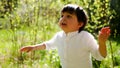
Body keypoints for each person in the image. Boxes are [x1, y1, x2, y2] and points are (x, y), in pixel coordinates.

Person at [20, 4, 110, 68]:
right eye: (62, 15)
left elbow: (100, 56)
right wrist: (33, 47)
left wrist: (102, 43)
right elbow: (47, 45)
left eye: (69, 16)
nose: (63, 19)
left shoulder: (85, 37)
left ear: (80, 24)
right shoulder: (59, 36)